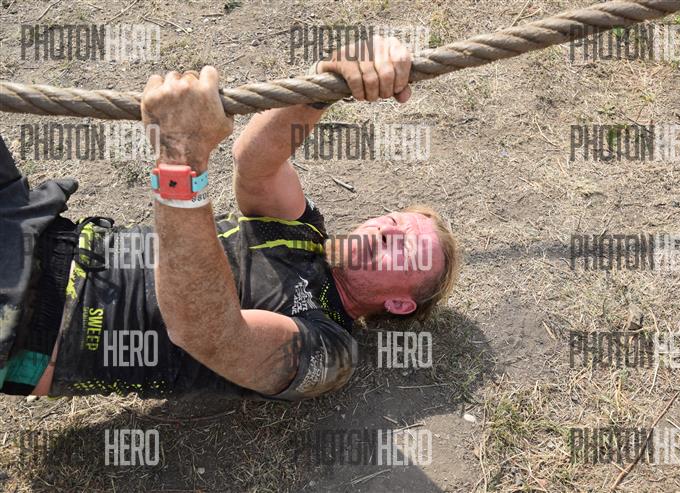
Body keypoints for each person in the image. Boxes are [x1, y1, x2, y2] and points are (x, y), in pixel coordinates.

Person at [0, 36, 459, 402]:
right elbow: (256, 162)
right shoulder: (302, 232)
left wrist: (180, 162)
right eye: (395, 219)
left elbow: (207, 332)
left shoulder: (331, 351)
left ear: (399, 304)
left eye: (406, 246)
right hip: (36, 227)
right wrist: (333, 78)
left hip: (30, 324)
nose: (389, 229)